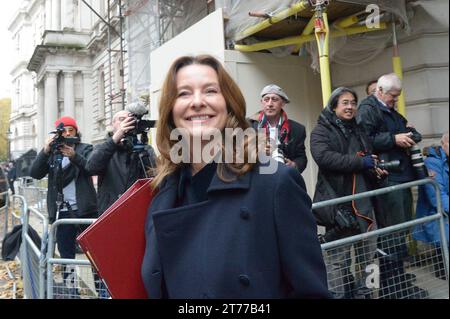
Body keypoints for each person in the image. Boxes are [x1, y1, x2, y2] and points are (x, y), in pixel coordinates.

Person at [141, 55, 329, 299]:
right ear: (170, 110)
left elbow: (311, 292)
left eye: (210, 91)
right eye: (183, 93)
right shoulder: (163, 191)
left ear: (229, 104)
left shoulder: (275, 183)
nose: (197, 102)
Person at [356, 73, 429, 299]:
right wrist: (394, 139)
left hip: (400, 178)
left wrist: (405, 134)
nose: (395, 100)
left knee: (399, 234)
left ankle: (399, 285)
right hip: (388, 179)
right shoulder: (368, 109)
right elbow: (365, 139)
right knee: (392, 236)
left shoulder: (388, 110)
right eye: (393, 96)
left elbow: (410, 131)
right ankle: (392, 290)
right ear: (380, 91)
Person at [310, 87, 386, 299]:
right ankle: (336, 296)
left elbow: (368, 157)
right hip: (340, 207)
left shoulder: (359, 130)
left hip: (366, 207)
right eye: (345, 102)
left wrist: (375, 168)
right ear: (334, 106)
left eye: (353, 102)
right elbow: (324, 158)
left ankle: (368, 294)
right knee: (336, 261)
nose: (350, 107)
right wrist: (360, 162)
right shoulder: (320, 131)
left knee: (370, 258)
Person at [29, 116, 97, 297]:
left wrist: (74, 155)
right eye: (63, 130)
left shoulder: (85, 148)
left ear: (76, 132)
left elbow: (92, 167)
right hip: (63, 213)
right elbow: (35, 173)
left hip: (85, 211)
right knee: (67, 257)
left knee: (95, 256)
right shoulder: (52, 152)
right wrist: (45, 150)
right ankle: (72, 292)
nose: (67, 134)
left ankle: (103, 291)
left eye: (71, 130)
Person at [85, 109, 157, 216]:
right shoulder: (104, 148)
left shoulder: (145, 149)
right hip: (112, 212)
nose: (126, 122)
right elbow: (91, 167)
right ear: (112, 125)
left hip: (138, 210)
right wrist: (116, 138)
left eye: (130, 120)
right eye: (122, 119)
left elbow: (154, 176)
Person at [248, 84, 308, 174]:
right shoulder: (248, 125)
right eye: (266, 99)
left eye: (274, 99)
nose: (270, 104)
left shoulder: (297, 129)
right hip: (256, 177)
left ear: (283, 103)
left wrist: (294, 165)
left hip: (284, 179)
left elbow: (301, 158)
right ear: (262, 102)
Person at [413, 131, 449, 279]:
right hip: (435, 211)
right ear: (443, 144)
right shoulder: (432, 162)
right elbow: (436, 195)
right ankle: (443, 269)